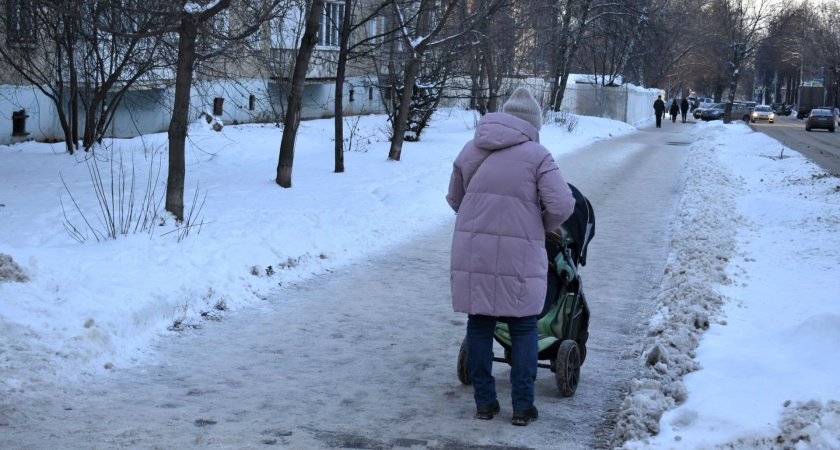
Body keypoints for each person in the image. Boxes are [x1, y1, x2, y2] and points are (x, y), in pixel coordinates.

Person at [446, 87, 576, 426]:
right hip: (521, 254)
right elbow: (563, 205)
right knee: (522, 326)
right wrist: (538, 224)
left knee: (479, 323)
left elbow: (455, 199)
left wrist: (479, 221)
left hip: (475, 252)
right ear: (533, 124)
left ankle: (485, 403)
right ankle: (522, 407)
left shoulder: (471, 148)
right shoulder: (538, 155)